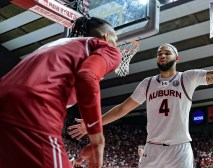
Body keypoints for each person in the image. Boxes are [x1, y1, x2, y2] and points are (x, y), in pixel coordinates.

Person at [68, 39, 213, 167]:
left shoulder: (188, 78)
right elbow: (123, 109)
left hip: (179, 149)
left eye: (167, 52)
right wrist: (92, 124)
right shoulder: (148, 83)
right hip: (151, 149)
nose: (162, 55)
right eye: (159, 53)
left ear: (176, 58)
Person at [0, 16, 122, 168]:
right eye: (116, 40)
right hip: (33, 109)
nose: (116, 45)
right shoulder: (106, 48)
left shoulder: (59, 45)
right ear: (106, 37)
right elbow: (87, 76)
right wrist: (97, 139)